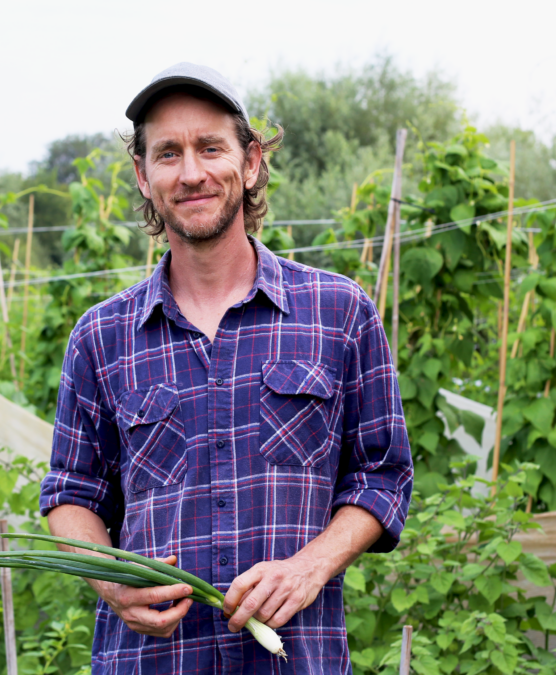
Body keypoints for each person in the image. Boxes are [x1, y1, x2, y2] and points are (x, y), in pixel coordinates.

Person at [40, 62, 413, 674]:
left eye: (210, 147)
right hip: (150, 661)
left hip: (294, 660)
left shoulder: (337, 313)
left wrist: (309, 567)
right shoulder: (101, 337)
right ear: (142, 174)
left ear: (251, 161)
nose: (191, 173)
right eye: (167, 154)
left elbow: (382, 475)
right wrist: (111, 581)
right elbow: (73, 492)